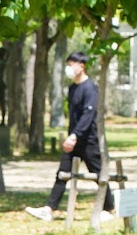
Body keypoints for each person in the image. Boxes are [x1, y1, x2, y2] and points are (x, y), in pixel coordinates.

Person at [25, 51, 109, 220]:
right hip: (73, 140)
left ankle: (109, 209)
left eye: (72, 64)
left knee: (99, 174)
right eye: (68, 63)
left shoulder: (90, 88)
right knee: (62, 173)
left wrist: (76, 135)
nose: (69, 67)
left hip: (88, 140)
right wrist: (72, 136)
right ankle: (49, 209)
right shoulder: (72, 88)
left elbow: (88, 115)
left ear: (81, 66)